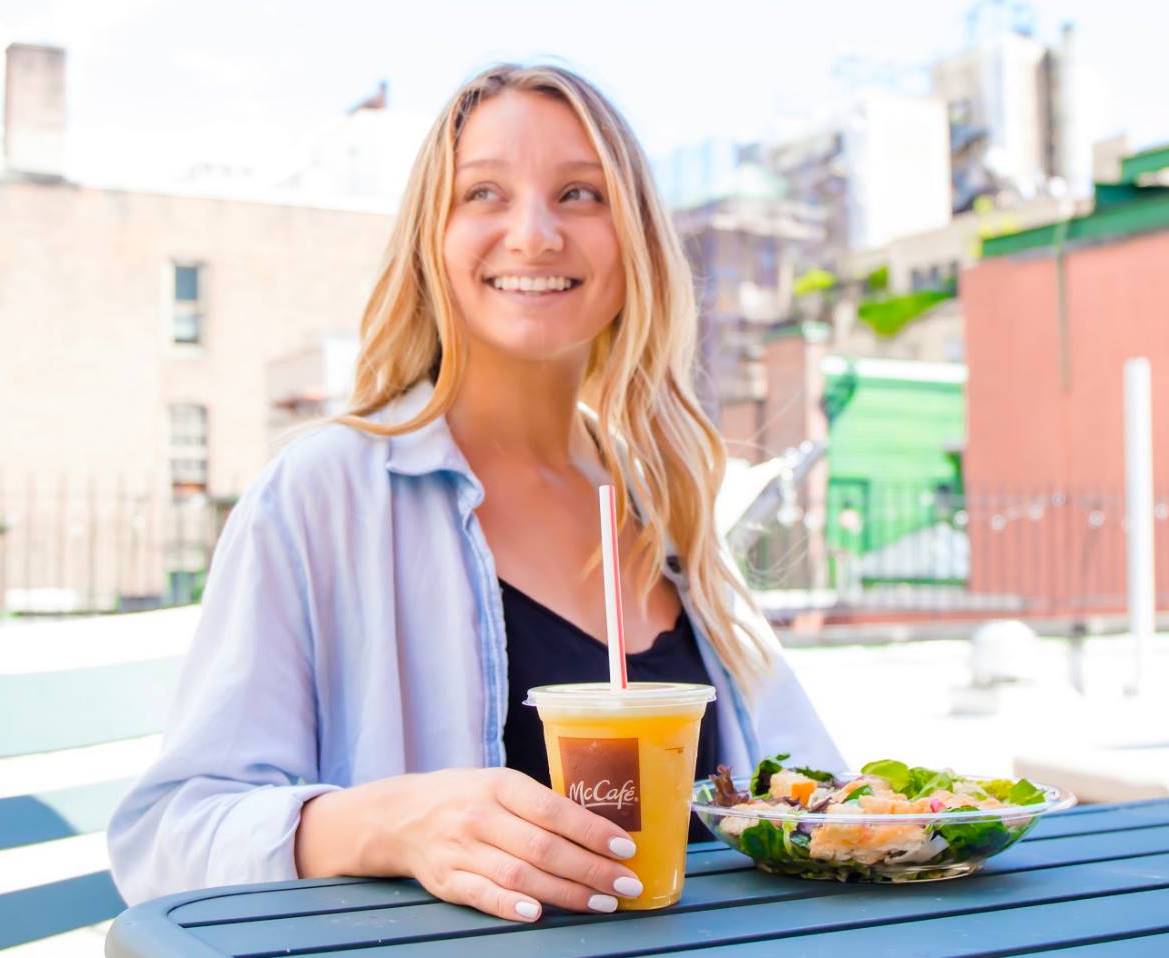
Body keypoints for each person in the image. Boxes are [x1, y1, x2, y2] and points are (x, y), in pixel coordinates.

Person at [107, 63, 845, 924]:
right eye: (484, 193)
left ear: (637, 242)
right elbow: (167, 841)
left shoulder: (663, 498)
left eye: (580, 194)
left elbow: (819, 794)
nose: (533, 234)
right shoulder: (324, 494)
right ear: (432, 237)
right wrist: (388, 824)